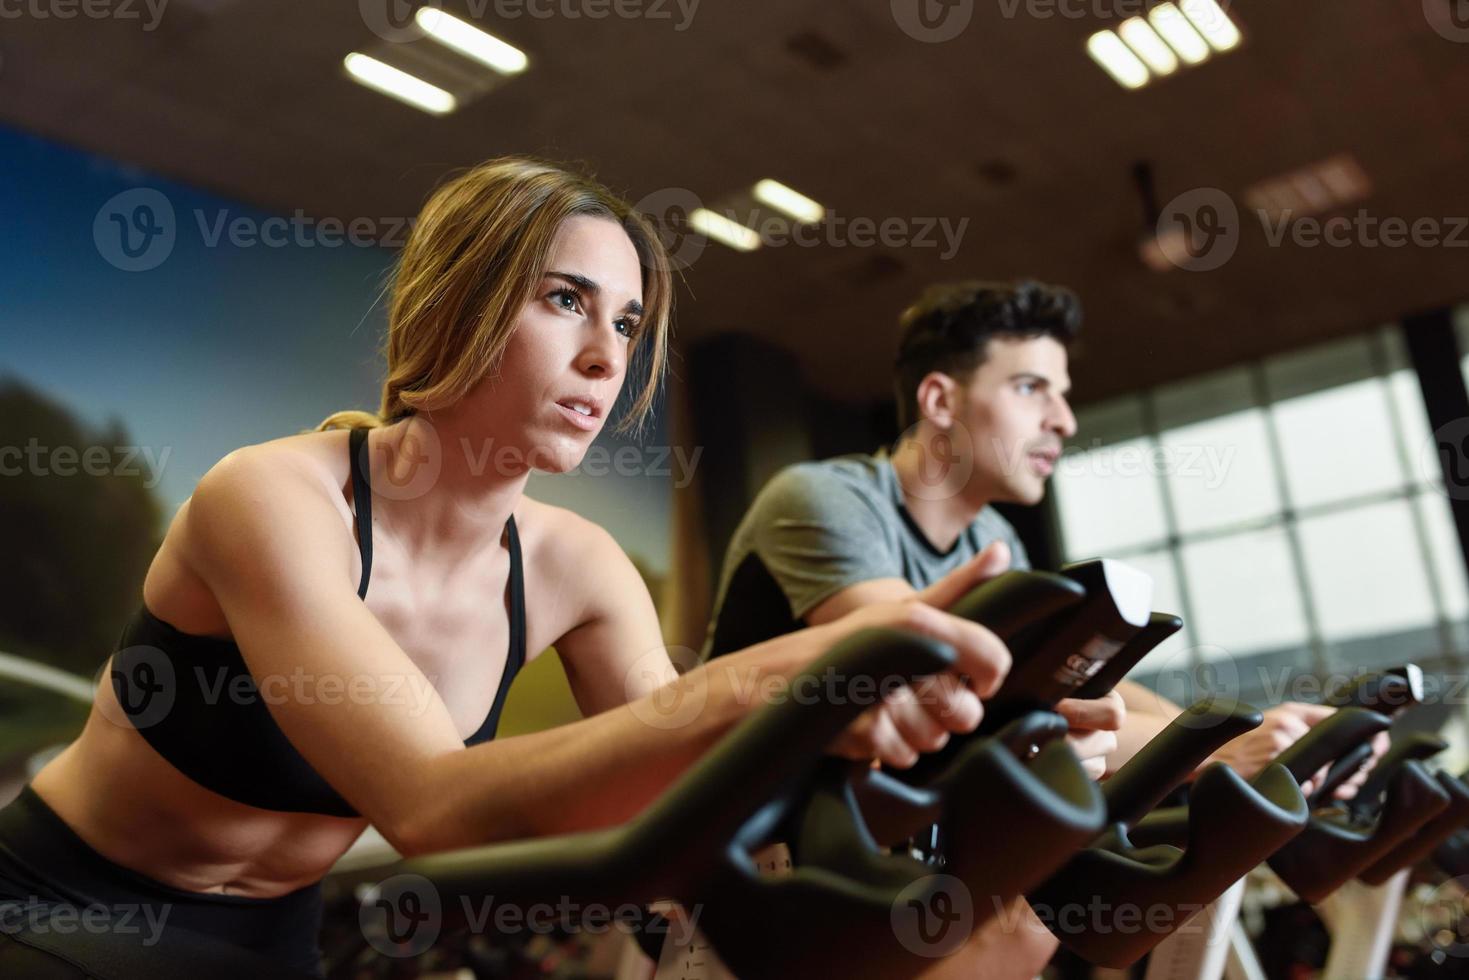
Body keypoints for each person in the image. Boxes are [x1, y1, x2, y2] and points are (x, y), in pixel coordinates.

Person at [0, 159, 1013, 976]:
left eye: (624, 322)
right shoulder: (267, 499)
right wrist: (788, 666)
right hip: (65, 909)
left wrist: (894, 732)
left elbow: (685, 790)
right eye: (565, 299)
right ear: (456, 305)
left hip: (276, 939)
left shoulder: (579, 565)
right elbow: (435, 808)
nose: (606, 357)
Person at [697, 278, 1384, 977]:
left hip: (878, 836)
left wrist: (1238, 736)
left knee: (1034, 912)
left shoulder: (992, 539)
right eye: (1031, 388)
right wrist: (1207, 753)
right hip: (741, 850)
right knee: (1015, 923)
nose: (1061, 418)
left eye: (1059, 392)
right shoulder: (825, 500)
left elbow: (1076, 679)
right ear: (938, 400)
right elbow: (954, 694)